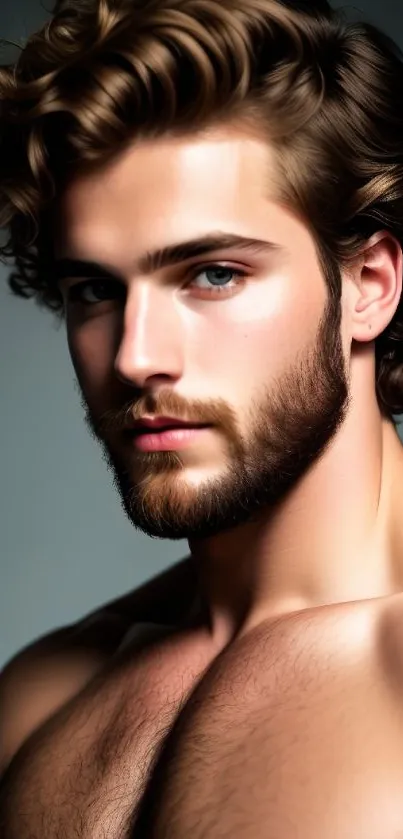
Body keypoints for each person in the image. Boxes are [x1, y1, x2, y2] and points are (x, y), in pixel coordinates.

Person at [1, 0, 403, 834]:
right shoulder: (39, 695)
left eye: (212, 273)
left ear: (367, 286)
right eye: (95, 291)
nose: (134, 355)